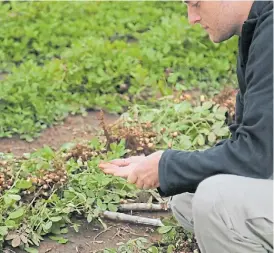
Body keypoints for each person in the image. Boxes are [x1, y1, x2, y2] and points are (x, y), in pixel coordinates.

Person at [99, 1, 273, 252]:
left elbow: (255, 156)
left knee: (214, 200)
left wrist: (167, 166)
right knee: (187, 198)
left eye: (197, 4)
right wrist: (165, 166)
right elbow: (252, 142)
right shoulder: (258, 28)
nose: (192, 18)